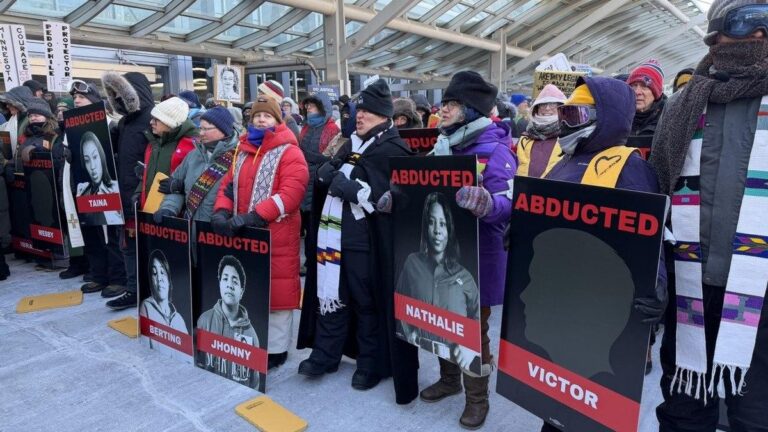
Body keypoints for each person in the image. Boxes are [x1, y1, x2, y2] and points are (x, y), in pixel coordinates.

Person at [650, 1, 768, 430]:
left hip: (760, 293)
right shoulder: (683, 105)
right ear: (717, 31)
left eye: (766, 25)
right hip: (688, 286)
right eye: (747, 22)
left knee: (755, 415)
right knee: (683, 411)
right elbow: (655, 190)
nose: (758, 35)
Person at [538, 76, 667, 431]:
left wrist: (655, 284)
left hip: (599, 302)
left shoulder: (628, 165)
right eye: (564, 114)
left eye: (577, 114)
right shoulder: (562, 161)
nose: (566, 122)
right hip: (559, 295)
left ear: (606, 117)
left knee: (591, 393)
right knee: (557, 384)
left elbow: (649, 232)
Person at [405, 71, 516, 430]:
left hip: (478, 258)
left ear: (470, 110)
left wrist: (487, 204)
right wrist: (401, 199)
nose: (443, 109)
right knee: (439, 321)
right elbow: (425, 196)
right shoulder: (441, 145)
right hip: (441, 255)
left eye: (451, 104)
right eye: (445, 103)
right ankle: (450, 380)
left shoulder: (496, 149)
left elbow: (509, 203)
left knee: (472, 329)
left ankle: (477, 398)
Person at [297, 79, 419, 404]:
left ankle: (370, 363)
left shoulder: (394, 149)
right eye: (358, 109)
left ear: (383, 115)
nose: (358, 115)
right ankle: (326, 353)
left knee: (366, 302)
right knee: (332, 295)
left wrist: (358, 193)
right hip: (334, 234)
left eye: (366, 110)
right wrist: (326, 173)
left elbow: (399, 201)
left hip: (365, 241)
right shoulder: (352, 144)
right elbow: (337, 177)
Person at [211, 95, 308, 370]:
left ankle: (277, 349)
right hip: (245, 230)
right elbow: (228, 187)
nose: (261, 119)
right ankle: (255, 339)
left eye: (267, 116)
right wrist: (221, 211)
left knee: (278, 292)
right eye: (257, 116)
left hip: (277, 232)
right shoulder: (242, 151)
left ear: (278, 120)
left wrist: (256, 215)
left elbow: (291, 193)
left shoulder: (290, 151)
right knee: (252, 289)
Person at [395, 192, 479, 364]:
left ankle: (474, 392)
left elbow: (477, 318)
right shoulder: (412, 263)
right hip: (430, 347)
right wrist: (409, 330)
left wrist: (470, 345)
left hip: (463, 358)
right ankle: (448, 381)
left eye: (442, 224)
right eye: (432, 222)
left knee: (473, 374)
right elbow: (400, 300)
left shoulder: (465, 278)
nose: (437, 231)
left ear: (450, 229)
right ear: (425, 227)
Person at [69, 79, 127, 295]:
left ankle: (118, 278)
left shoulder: (111, 124)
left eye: (81, 97)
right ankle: (99, 275)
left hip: (110, 188)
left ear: (93, 99)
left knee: (112, 233)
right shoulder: (71, 128)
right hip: (84, 188)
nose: (77, 101)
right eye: (75, 97)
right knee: (92, 231)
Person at [155, 106, 238, 226]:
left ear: (223, 130)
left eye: (206, 129)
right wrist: (169, 208)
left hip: (220, 231)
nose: (201, 133)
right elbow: (174, 186)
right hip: (191, 228)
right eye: (200, 128)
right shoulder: (193, 155)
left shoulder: (238, 157)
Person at [196, 255, 260, 389]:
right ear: (219, 283)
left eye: (235, 282)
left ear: (241, 292)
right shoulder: (204, 321)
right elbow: (198, 365)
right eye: (225, 279)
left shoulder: (251, 335)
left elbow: (254, 385)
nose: (229, 285)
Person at [298, 91, 342, 275]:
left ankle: (317, 263)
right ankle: (309, 261)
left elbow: (333, 159)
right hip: (303, 182)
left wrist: (309, 157)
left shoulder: (333, 130)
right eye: (307, 105)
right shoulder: (306, 128)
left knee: (318, 228)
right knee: (307, 227)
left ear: (322, 107)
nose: (309, 109)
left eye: (313, 105)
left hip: (319, 185)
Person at [139, 249, 189, 358]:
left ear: (169, 279)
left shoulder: (179, 319)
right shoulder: (146, 307)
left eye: (162, 272)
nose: (159, 278)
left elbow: (188, 357)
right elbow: (145, 351)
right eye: (154, 273)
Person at [516, 84, 566, 178]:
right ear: (536, 109)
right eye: (543, 105)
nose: (547, 108)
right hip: (526, 190)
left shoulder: (569, 137)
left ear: (561, 108)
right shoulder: (525, 138)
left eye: (553, 104)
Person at [75, 132, 122, 225]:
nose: (92, 166)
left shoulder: (115, 188)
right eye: (87, 160)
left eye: (95, 157)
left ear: (101, 156)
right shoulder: (82, 190)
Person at [626, 59, 667, 159]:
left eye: (644, 86)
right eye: (634, 86)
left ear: (656, 92)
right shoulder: (619, 116)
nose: (637, 92)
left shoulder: (668, 118)